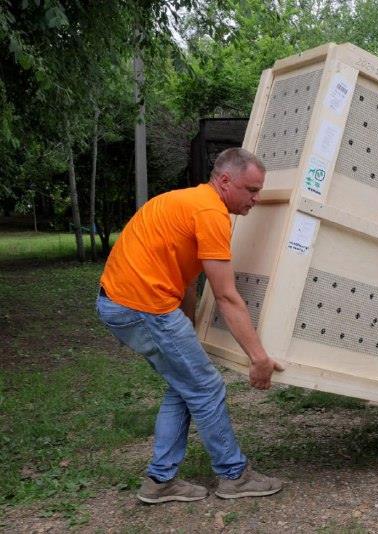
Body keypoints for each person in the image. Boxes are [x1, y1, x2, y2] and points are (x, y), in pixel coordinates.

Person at [96, 148, 285, 503]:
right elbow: (226, 296)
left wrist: (187, 324)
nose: (256, 199)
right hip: (143, 307)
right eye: (251, 190)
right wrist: (258, 357)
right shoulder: (211, 213)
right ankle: (234, 476)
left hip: (124, 303)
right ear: (225, 181)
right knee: (207, 386)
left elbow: (181, 277)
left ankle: (160, 481)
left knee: (185, 385)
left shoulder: (186, 201)